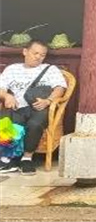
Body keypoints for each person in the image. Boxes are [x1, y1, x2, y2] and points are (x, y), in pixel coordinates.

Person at [0, 40, 67, 175]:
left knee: (35, 124)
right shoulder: (12, 69)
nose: (38, 57)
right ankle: (10, 158)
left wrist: (48, 101)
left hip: (39, 106)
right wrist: (7, 96)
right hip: (17, 106)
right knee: (7, 121)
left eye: (42, 55)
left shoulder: (50, 70)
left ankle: (27, 158)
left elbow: (60, 88)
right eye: (35, 53)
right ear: (25, 52)